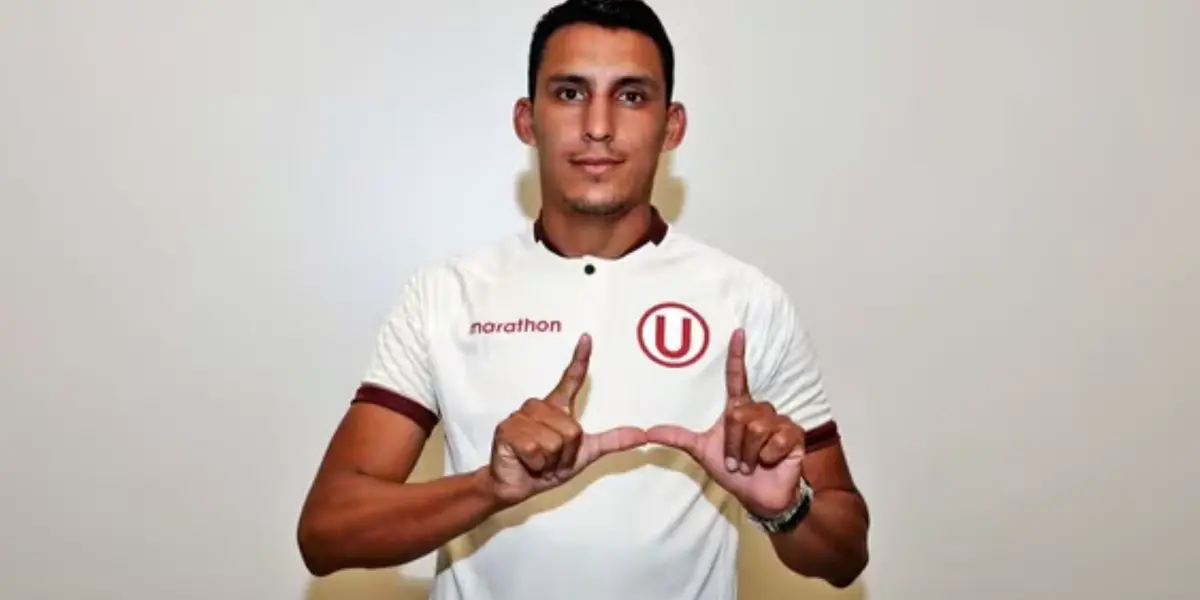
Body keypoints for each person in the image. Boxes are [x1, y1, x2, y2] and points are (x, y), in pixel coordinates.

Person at [296, 0, 870, 597]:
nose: (598, 125)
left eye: (631, 96)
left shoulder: (747, 300)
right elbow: (326, 533)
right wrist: (488, 488)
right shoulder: (445, 294)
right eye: (570, 93)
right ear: (527, 120)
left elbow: (846, 554)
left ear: (671, 126)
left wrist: (787, 509)